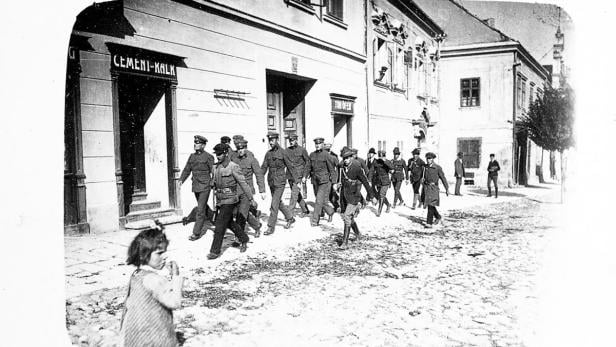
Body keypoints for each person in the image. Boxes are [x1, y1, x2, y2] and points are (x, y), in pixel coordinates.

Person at [121, 222, 184, 347]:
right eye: (159, 253)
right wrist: (176, 278)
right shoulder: (154, 280)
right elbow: (174, 302)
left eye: (164, 252)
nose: (165, 256)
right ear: (144, 254)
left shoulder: (137, 275)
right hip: (155, 337)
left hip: (137, 336)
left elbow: (127, 305)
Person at [207, 143, 253, 259]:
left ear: (226, 153)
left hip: (231, 199)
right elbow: (214, 182)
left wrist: (251, 198)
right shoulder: (215, 167)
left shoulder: (233, 166)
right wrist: (211, 184)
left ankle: (215, 251)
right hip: (220, 200)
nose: (218, 157)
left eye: (220, 154)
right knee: (228, 222)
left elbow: (243, 183)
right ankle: (244, 238)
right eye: (216, 154)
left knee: (220, 225)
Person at [338, 148, 376, 249]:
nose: (345, 160)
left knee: (347, 216)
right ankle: (358, 234)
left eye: (347, 158)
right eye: (344, 158)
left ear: (351, 157)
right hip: (344, 196)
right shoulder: (341, 167)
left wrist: (372, 196)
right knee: (347, 217)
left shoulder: (356, 168)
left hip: (354, 196)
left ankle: (345, 242)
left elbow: (365, 182)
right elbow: (340, 180)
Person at [179, 135, 215, 241]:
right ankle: (215, 219)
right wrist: (181, 180)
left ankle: (196, 232)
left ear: (203, 145)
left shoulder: (208, 157)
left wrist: (213, 183)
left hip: (205, 186)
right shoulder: (192, 156)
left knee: (200, 209)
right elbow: (187, 169)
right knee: (203, 207)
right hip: (195, 186)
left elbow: (213, 171)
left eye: (198, 143)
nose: (196, 144)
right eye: (195, 143)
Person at [261, 131, 296, 235]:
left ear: (277, 140)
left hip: (280, 182)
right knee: (278, 202)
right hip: (271, 181)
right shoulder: (268, 153)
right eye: (269, 140)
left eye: (272, 140)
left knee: (274, 204)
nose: (270, 142)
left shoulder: (283, 152)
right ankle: (290, 218)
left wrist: (297, 181)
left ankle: (270, 227)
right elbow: (263, 167)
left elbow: (290, 167)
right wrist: (259, 178)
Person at [231, 139, 266, 237]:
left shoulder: (252, 160)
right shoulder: (234, 160)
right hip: (236, 191)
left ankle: (240, 237)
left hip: (247, 191)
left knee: (241, 214)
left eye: (242, 148)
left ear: (246, 148)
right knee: (242, 213)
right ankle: (257, 225)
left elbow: (259, 175)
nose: (240, 150)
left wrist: (262, 190)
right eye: (238, 149)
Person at [303, 137, 336, 227]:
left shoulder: (326, 155)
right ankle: (330, 211)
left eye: (319, 144)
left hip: (324, 181)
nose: (317, 145)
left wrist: (334, 182)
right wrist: (305, 176)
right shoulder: (312, 155)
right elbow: (308, 167)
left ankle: (315, 220)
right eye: (316, 144)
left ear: (322, 144)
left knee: (318, 200)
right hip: (315, 180)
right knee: (321, 201)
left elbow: (332, 169)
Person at [284, 133, 311, 218]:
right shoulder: (286, 151)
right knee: (296, 193)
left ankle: (289, 215)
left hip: (299, 176)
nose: (291, 142)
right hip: (290, 175)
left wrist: (305, 176)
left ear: (296, 140)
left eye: (292, 140)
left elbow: (308, 163)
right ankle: (305, 210)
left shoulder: (302, 150)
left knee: (293, 195)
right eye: (290, 140)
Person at [422, 152, 449, 228]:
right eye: (427, 158)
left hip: (434, 188)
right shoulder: (425, 167)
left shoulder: (437, 168)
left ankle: (429, 223)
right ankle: (438, 217)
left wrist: (447, 188)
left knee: (431, 204)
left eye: (430, 158)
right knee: (430, 204)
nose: (428, 160)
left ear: (433, 159)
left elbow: (443, 178)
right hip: (426, 187)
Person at [370, 149, 393, 216]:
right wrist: (369, 180)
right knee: (380, 195)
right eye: (379, 156)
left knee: (381, 195)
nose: (380, 157)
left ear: (384, 155)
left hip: (385, 182)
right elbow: (371, 171)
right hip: (378, 181)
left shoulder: (387, 161)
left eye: (382, 156)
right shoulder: (375, 162)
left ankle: (379, 211)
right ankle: (388, 205)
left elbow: (392, 167)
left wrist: (385, 161)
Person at [324, 143, 341, 212]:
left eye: (327, 150)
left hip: (332, 178)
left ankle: (338, 206)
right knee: (329, 194)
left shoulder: (334, 156)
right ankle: (336, 206)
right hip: (325, 177)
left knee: (332, 193)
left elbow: (338, 168)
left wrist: (337, 179)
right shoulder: (322, 156)